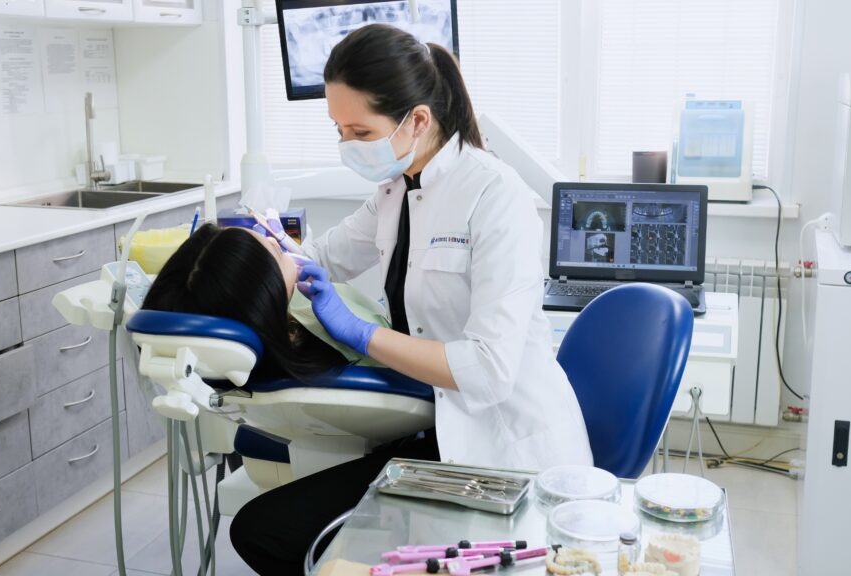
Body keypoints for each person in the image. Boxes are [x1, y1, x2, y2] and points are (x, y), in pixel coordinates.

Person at [232, 24, 591, 575]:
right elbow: (324, 256)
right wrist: (267, 247)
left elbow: (489, 369)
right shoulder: (396, 187)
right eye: (338, 130)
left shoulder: (497, 197)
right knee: (271, 531)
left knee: (273, 536)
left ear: (417, 120)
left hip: (500, 450)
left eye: (359, 130)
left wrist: (360, 332)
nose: (348, 145)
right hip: (433, 426)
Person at [140, 223, 391, 381]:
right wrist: (362, 333)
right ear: (266, 294)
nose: (273, 240)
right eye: (277, 252)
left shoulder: (269, 335)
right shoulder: (322, 343)